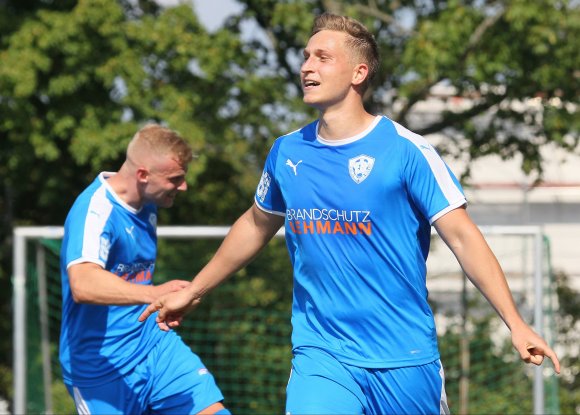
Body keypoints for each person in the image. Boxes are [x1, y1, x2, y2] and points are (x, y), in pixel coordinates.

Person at [139, 13, 561, 415]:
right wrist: (195, 289)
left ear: (359, 73)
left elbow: (464, 238)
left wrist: (516, 323)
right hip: (321, 353)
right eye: (306, 56)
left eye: (322, 57)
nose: (307, 66)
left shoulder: (406, 151)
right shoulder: (287, 151)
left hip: (403, 357)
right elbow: (256, 223)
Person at [59, 124, 231, 415]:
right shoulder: (95, 211)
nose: (184, 186)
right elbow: (83, 283)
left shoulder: (148, 203)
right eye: (176, 179)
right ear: (142, 175)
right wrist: (153, 293)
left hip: (155, 346)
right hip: (100, 368)